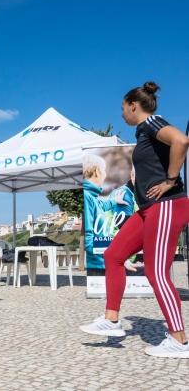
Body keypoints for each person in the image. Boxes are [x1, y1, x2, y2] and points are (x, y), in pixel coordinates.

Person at [80, 81, 189, 358]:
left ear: (133, 105)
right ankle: (112, 320)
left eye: (122, 109)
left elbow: (182, 140)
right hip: (147, 208)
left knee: (156, 273)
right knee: (113, 256)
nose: (121, 115)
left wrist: (171, 180)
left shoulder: (153, 121)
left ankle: (179, 340)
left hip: (166, 205)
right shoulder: (144, 131)